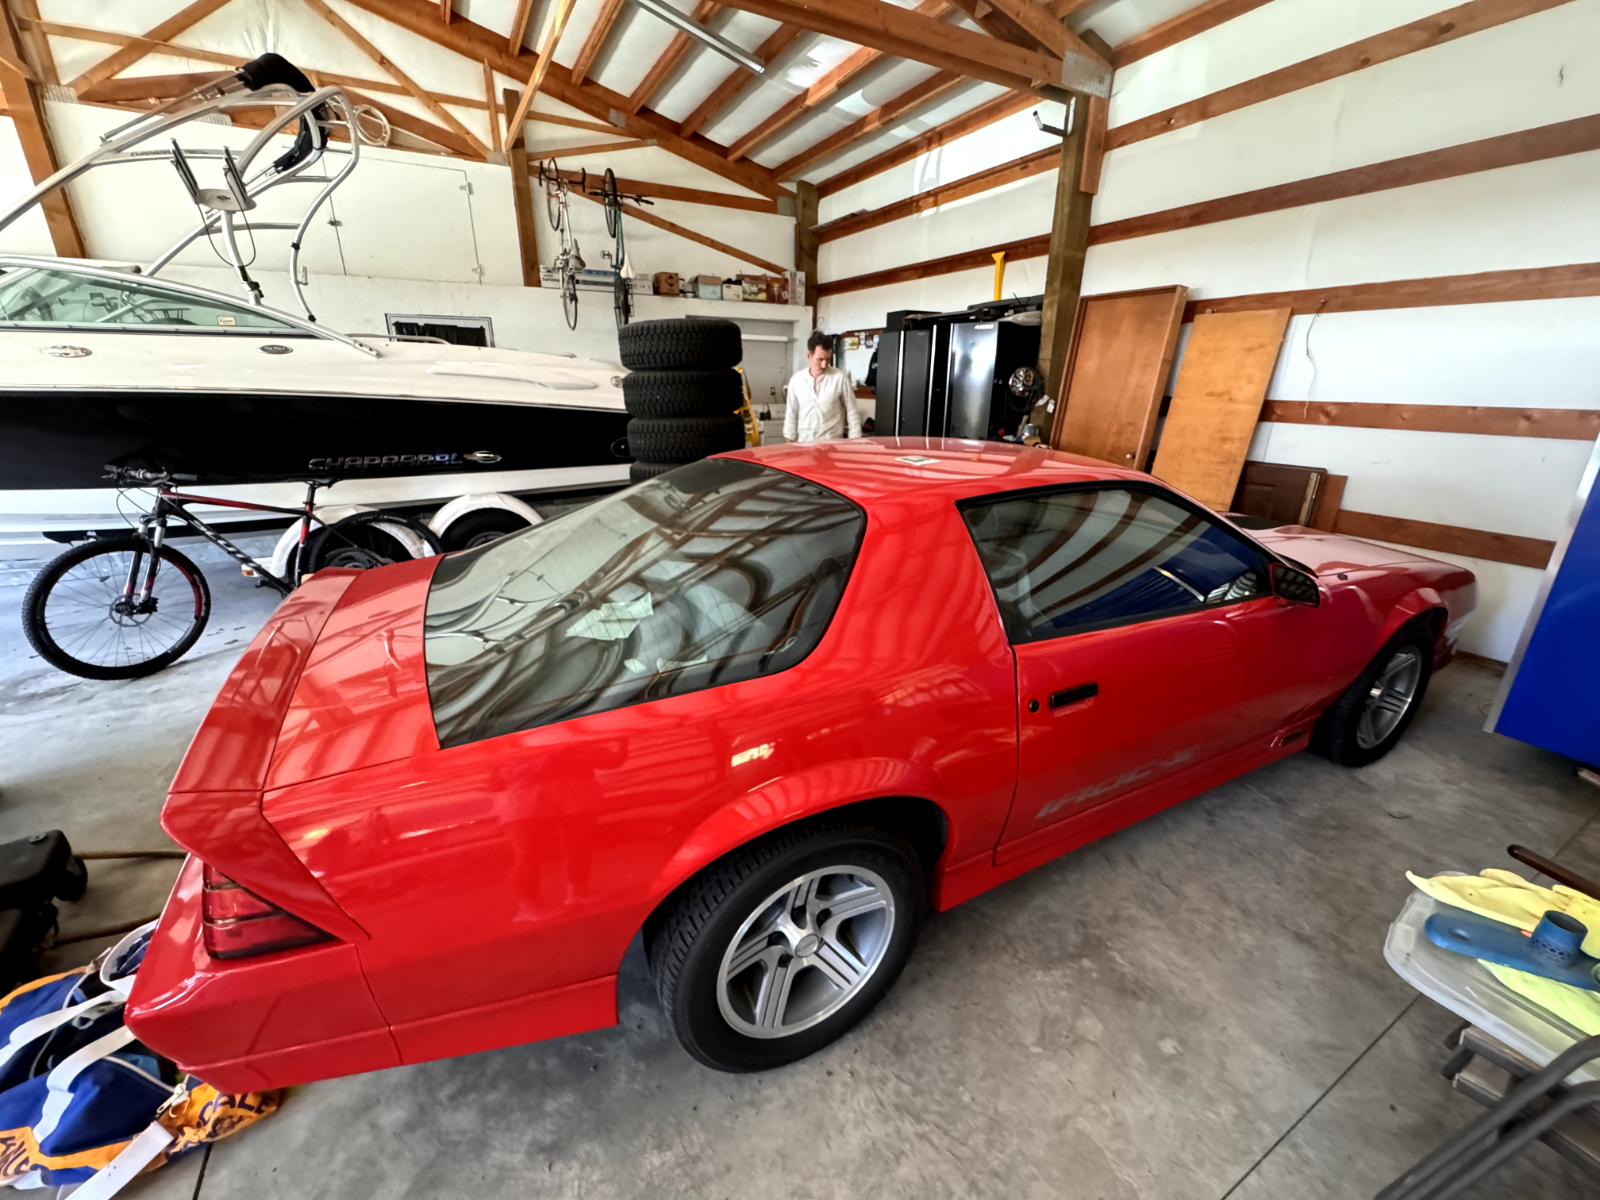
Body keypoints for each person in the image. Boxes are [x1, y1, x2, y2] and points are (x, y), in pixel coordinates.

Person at [783, 330, 861, 443]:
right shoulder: (796, 381)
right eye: (820, 359)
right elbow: (791, 414)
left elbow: (852, 412)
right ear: (809, 355)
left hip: (833, 446)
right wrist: (789, 441)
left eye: (828, 359)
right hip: (804, 445)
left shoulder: (840, 378)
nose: (824, 365)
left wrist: (855, 442)